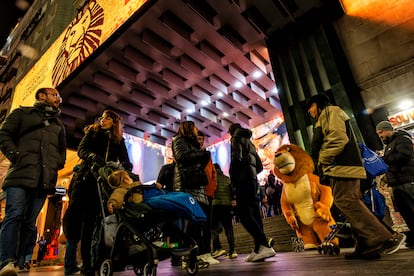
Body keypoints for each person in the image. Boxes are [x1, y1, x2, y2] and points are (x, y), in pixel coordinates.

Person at [306, 94, 405, 260]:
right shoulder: (327, 115)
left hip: (342, 167)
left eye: (310, 107)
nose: (309, 111)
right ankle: (366, 246)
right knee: (348, 202)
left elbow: (338, 138)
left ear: (317, 104)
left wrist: (324, 160)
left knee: (346, 201)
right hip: (341, 167)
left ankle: (384, 237)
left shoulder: (330, 111)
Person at [0, 87, 66, 276]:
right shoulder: (22, 114)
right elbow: (4, 135)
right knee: (15, 215)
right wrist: (16, 155)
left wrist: (56, 165)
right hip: (20, 175)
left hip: (43, 180)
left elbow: (61, 151)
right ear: (42, 96)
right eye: (55, 95)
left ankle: (20, 260)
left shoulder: (58, 125)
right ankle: (6, 261)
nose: (58, 99)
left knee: (29, 223)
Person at [63, 109, 132, 276]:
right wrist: (93, 157)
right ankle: (76, 265)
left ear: (114, 122)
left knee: (93, 226)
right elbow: (82, 150)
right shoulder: (93, 132)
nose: (103, 120)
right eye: (102, 118)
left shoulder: (118, 140)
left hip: (102, 185)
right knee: (78, 226)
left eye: (107, 118)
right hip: (85, 181)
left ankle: (92, 264)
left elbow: (126, 160)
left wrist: (123, 168)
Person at [228, 123, 276, 262]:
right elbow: (260, 166)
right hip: (253, 181)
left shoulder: (235, 138)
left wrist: (233, 177)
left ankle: (264, 244)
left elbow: (236, 159)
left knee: (243, 214)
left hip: (242, 181)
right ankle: (258, 248)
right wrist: (252, 172)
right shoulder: (250, 142)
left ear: (231, 132)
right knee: (255, 213)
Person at [171, 121, 217, 267]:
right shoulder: (179, 140)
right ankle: (189, 257)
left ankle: (194, 257)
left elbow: (196, 163)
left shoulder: (193, 144)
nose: (197, 131)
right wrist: (201, 155)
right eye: (195, 127)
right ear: (189, 128)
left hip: (196, 185)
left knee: (198, 223)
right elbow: (182, 157)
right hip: (187, 186)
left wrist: (201, 155)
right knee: (192, 223)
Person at [376, 120, 414, 247]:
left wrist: (384, 160)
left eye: (381, 132)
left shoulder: (403, 139)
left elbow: (404, 155)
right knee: (406, 212)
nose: (380, 135)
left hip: (406, 181)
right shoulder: (389, 145)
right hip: (396, 183)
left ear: (388, 129)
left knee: (411, 209)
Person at [211, 163, 238, 259]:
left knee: (213, 228)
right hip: (227, 205)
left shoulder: (211, 178)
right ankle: (232, 251)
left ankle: (218, 248)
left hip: (215, 205)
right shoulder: (227, 179)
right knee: (229, 228)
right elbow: (232, 192)